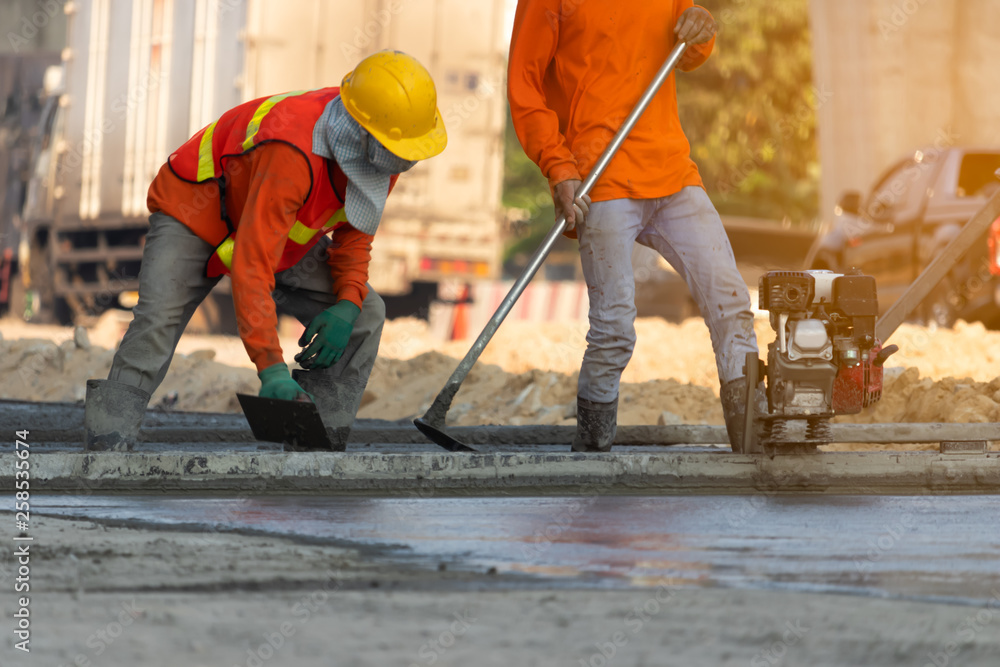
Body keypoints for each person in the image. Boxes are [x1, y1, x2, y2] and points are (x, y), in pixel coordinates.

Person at [83, 50, 447, 452]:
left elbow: (355, 234)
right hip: (195, 208)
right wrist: (271, 368)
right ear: (360, 134)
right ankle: (107, 442)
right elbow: (252, 266)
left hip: (274, 226)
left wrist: (346, 303)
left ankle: (315, 440)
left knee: (366, 313)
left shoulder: (384, 152)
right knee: (157, 321)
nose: (398, 167)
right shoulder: (292, 151)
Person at [507, 1, 759, 452]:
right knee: (613, 328)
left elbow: (688, 48)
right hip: (601, 176)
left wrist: (701, 30)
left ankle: (749, 441)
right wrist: (557, 164)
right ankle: (593, 448)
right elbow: (524, 86)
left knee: (732, 303)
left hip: (672, 171)